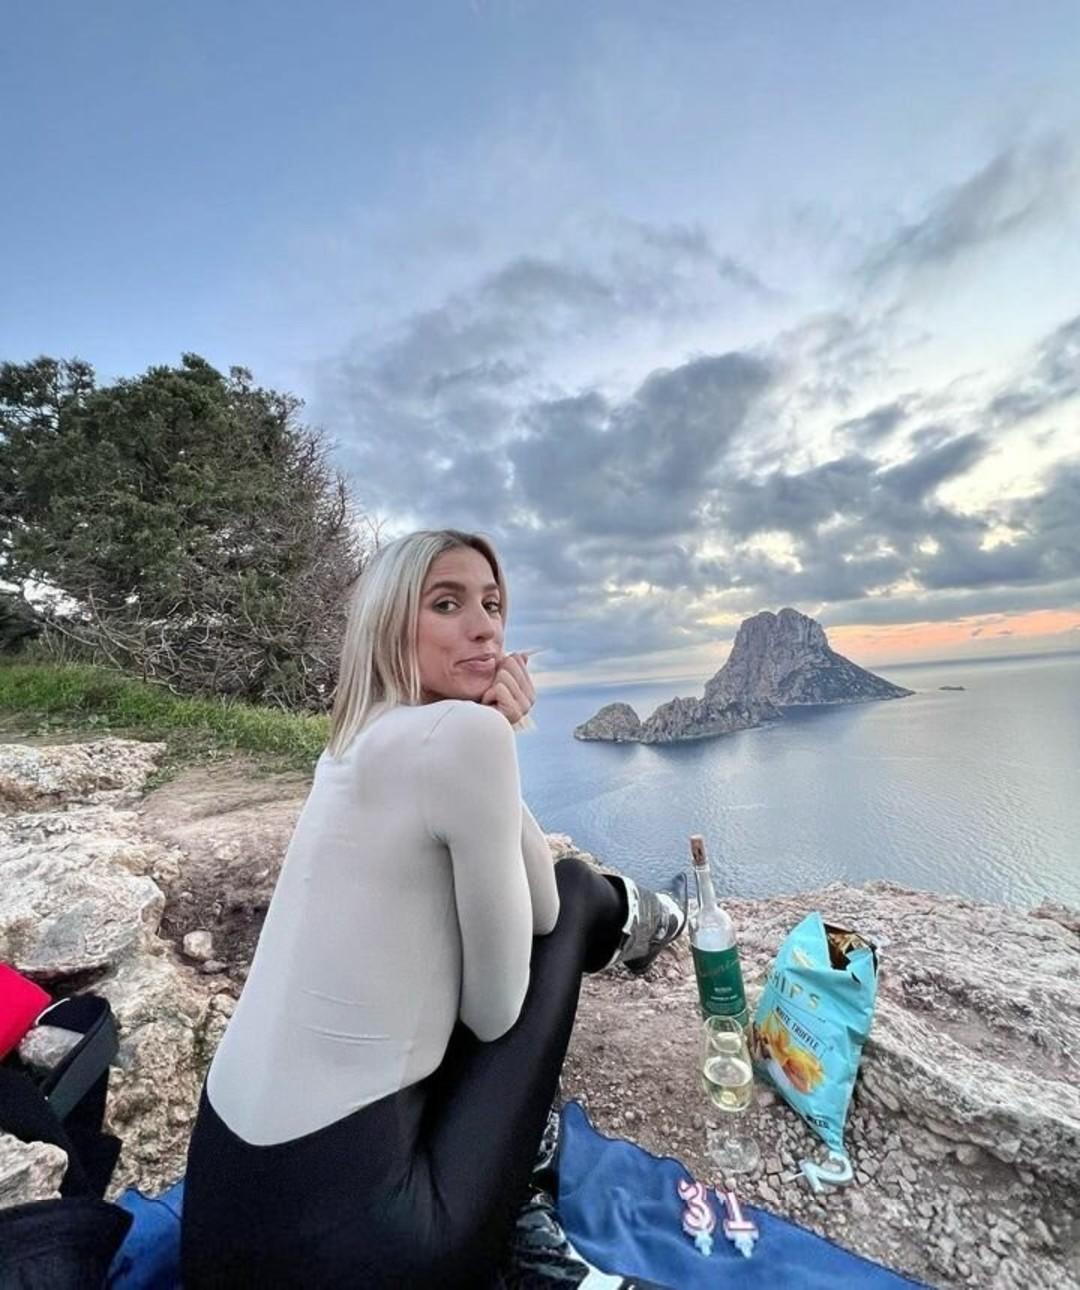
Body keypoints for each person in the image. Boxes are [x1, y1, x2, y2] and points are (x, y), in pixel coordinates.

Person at [180, 529, 687, 1289]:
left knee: (557, 895)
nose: (484, 628)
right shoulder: (466, 735)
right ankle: (639, 917)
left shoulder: (348, 741)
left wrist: (493, 754)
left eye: (492, 604)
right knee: (578, 890)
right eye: (446, 604)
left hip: (223, 1233)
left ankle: (635, 916)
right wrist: (499, 735)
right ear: (389, 623)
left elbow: (529, 899)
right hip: (369, 1253)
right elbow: (498, 1006)